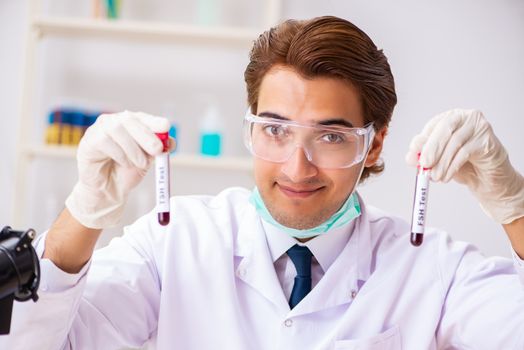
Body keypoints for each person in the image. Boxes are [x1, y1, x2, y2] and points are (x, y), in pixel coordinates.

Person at [2, 16, 524, 350]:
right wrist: (85, 212)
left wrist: (513, 205)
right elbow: (37, 344)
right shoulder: (175, 239)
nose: (297, 167)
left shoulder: (431, 268)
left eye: (331, 136)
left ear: (375, 144)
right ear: (249, 125)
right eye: (274, 130)